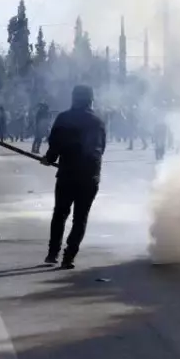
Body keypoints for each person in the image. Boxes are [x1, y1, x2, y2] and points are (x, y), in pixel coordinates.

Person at [42, 85, 106, 270]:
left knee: (60, 213)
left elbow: (55, 143)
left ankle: (53, 253)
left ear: (73, 99)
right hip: (90, 175)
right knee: (80, 218)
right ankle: (69, 257)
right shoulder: (98, 121)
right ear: (91, 99)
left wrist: (49, 159)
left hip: (68, 174)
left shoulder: (64, 118)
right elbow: (100, 148)